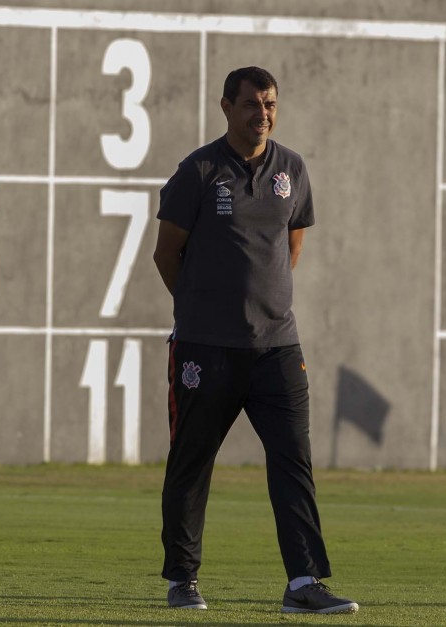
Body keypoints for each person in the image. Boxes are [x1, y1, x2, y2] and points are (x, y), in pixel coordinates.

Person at [152, 66, 359, 615]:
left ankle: (303, 584)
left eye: (269, 103)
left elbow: (290, 247)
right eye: (251, 104)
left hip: (277, 348)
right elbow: (165, 253)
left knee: (294, 461)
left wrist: (263, 307)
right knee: (192, 462)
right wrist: (200, 309)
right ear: (226, 107)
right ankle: (183, 579)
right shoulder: (197, 171)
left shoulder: (291, 168)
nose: (262, 113)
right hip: (205, 348)